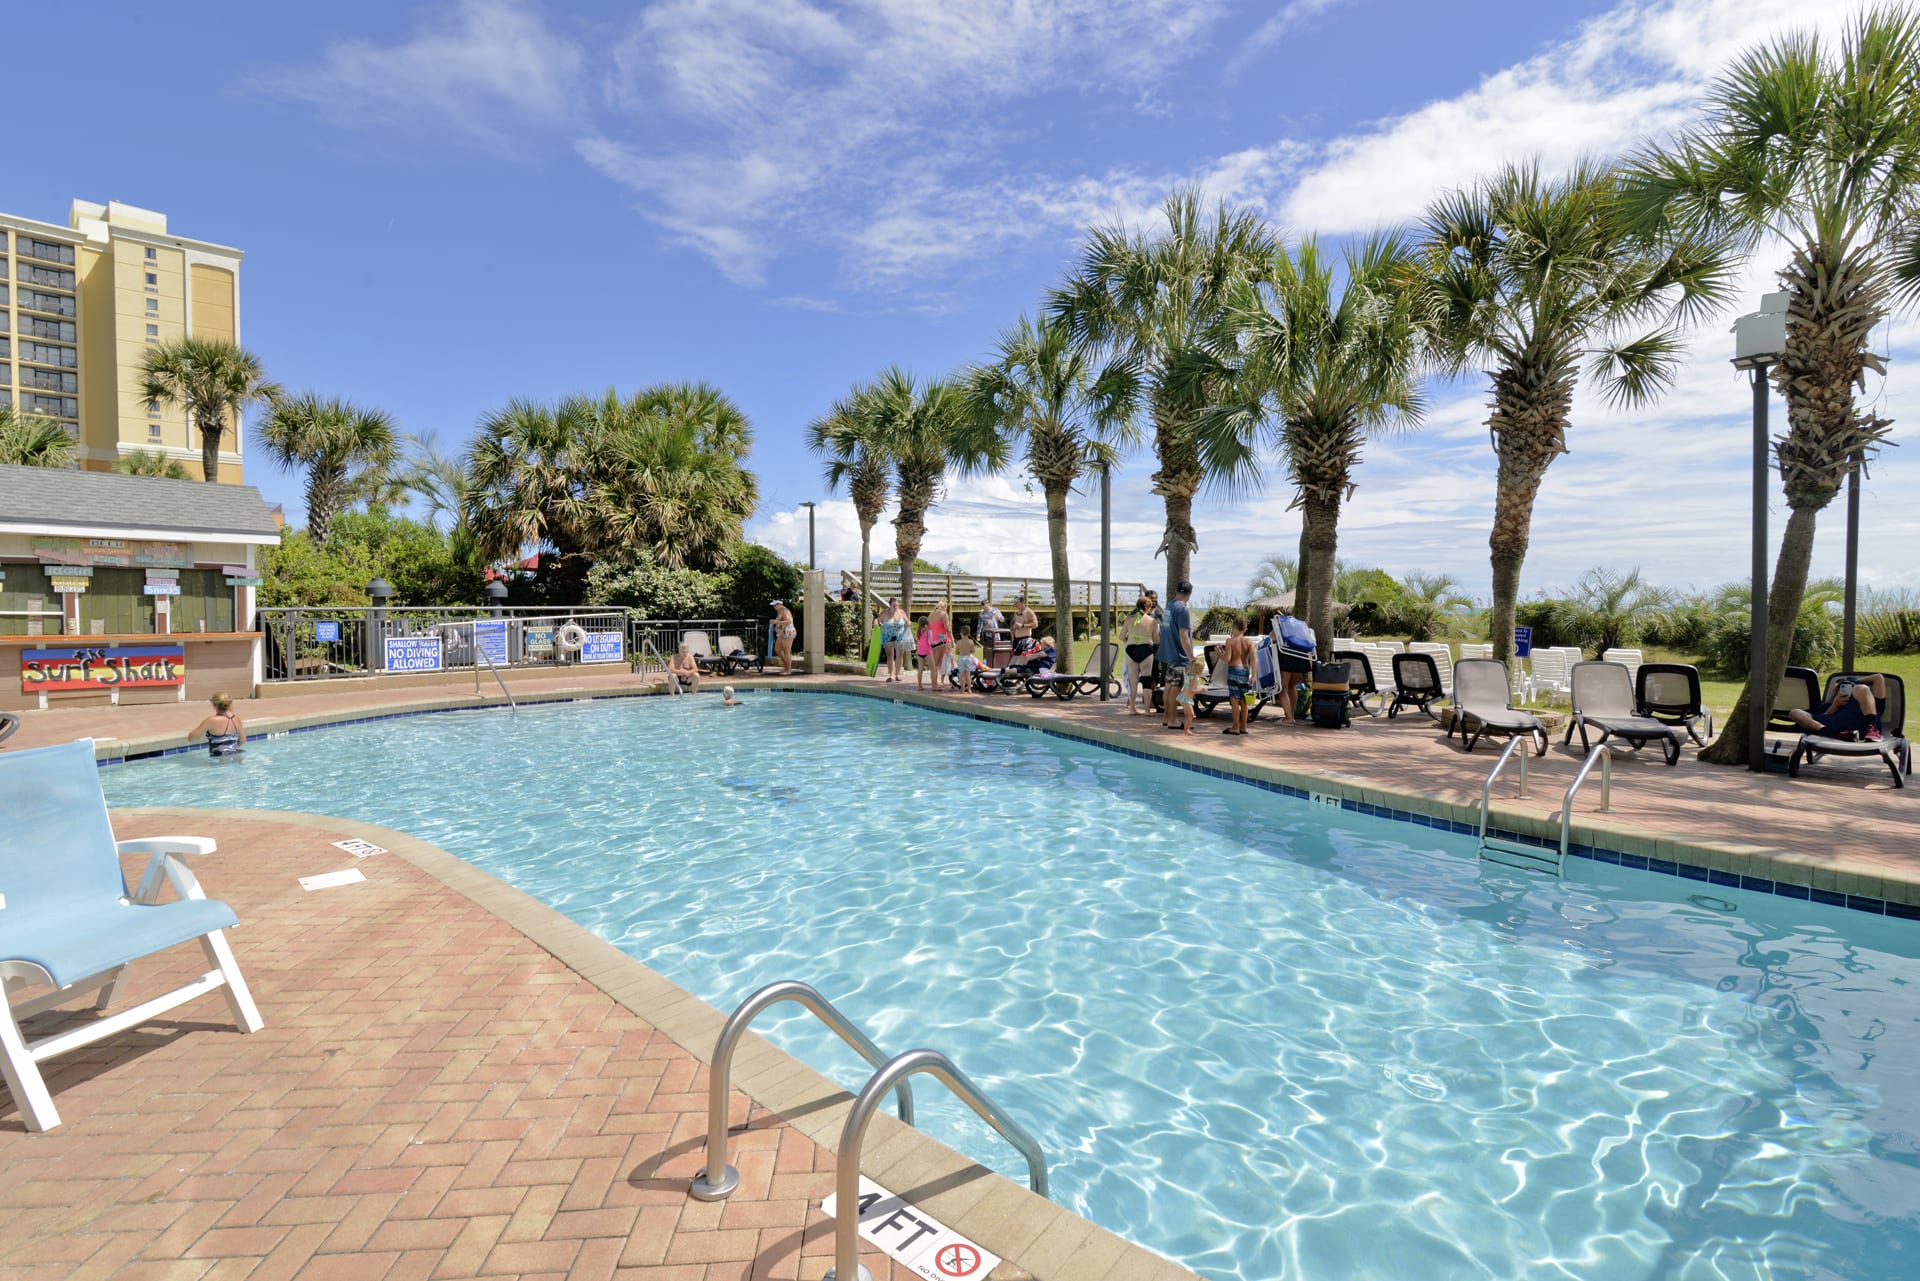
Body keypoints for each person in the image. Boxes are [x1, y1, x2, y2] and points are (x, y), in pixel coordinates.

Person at [1787, 672, 1887, 742]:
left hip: (1863, 728)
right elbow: (1823, 717)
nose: (1846, 689)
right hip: (1833, 729)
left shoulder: (1870, 702)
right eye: (1842, 687)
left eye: (1849, 687)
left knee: (1861, 688)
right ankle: (1828, 732)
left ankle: (1872, 728)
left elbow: (1878, 677)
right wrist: (1835, 705)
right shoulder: (1829, 705)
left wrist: (1854, 682)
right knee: (1794, 712)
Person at [1159, 581, 1194, 729]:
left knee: (1168, 686)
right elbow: (1184, 635)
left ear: (1176, 591)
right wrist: (1191, 658)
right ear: (1189, 594)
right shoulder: (1182, 610)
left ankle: (1167, 718)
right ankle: (1173, 720)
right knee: (1175, 689)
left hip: (1169, 653)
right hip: (1179, 655)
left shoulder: (1170, 606)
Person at [1220, 616, 1255, 736]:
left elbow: (1227, 658)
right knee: (1244, 701)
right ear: (1245, 629)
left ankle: (1235, 727)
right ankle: (1244, 727)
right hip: (1244, 672)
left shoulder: (1230, 641)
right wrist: (1254, 675)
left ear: (1234, 627)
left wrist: (1219, 653)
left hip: (1233, 671)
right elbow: (1254, 660)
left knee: (1234, 700)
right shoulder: (1249, 642)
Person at [1122, 595, 1158, 715]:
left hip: (1131, 650)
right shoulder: (1152, 621)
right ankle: (1147, 710)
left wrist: (1131, 637)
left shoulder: (1129, 619)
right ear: (1148, 607)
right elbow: (1157, 640)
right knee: (1147, 680)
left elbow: (1121, 637)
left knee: (1133, 681)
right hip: (1146, 650)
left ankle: (1132, 708)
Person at [189, 692, 245, 757]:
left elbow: (191, 738)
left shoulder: (211, 720)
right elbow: (243, 740)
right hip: (236, 756)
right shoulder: (236, 718)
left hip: (220, 760)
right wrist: (229, 749)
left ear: (214, 704)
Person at [920, 604, 953, 691]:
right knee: (941, 663)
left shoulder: (930, 615)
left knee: (935, 665)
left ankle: (936, 683)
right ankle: (936, 685)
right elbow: (947, 628)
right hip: (941, 641)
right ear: (944, 607)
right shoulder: (944, 614)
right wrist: (952, 639)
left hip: (932, 641)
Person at [880, 598, 910, 682]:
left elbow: (907, 620)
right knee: (890, 655)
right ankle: (891, 675)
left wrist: (908, 623)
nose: (896, 607)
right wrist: (875, 623)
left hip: (899, 635)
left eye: (897, 605)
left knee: (900, 655)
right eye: (894, 605)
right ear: (890, 605)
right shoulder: (885, 612)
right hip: (888, 636)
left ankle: (897, 674)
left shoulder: (901, 612)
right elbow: (877, 620)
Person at [770, 599, 796, 676]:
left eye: (775, 605)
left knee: (786, 651)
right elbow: (781, 623)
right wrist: (776, 628)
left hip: (788, 633)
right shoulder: (779, 611)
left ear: (779, 604)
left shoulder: (785, 611)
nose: (774, 607)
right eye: (773, 605)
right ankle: (786, 666)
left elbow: (789, 621)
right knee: (777, 649)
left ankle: (788, 670)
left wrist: (775, 622)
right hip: (782, 633)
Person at [952, 628, 980, 694]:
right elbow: (973, 651)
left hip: (961, 658)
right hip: (968, 658)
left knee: (962, 675)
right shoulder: (971, 642)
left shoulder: (958, 642)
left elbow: (956, 652)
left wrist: (960, 652)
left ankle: (962, 689)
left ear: (961, 633)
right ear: (969, 634)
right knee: (968, 675)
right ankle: (969, 689)